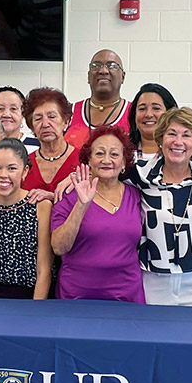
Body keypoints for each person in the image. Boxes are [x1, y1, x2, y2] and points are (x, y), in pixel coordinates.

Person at [125, 107, 192, 306]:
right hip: (152, 280)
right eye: (171, 134)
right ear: (160, 139)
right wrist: (71, 180)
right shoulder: (141, 174)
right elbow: (104, 180)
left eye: (186, 135)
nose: (178, 142)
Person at [51, 126, 143, 303]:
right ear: (89, 160)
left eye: (115, 154)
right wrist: (81, 205)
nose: (106, 160)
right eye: (99, 153)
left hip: (127, 295)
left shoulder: (137, 195)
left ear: (124, 162)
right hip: (77, 296)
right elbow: (59, 247)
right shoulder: (68, 195)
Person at [0, 138, 52, 299]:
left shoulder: (41, 206)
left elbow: (44, 269)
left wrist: (37, 309)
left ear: (25, 171)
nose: (3, 175)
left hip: (33, 296)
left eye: (12, 168)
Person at [64, 49, 132, 150]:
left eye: (112, 66)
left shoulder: (134, 113)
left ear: (123, 77)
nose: (103, 71)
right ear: (88, 76)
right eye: (96, 66)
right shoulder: (69, 112)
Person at [22, 87, 77, 199]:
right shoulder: (24, 164)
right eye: (38, 119)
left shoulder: (83, 161)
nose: (45, 124)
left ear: (66, 122)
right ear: (32, 127)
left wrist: (52, 197)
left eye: (52, 117)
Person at [127, 83, 178, 162]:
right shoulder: (122, 150)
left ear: (170, 113)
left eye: (156, 108)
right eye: (142, 108)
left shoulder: (179, 151)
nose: (148, 114)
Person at [0, 85, 40, 154]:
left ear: (23, 114)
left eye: (13, 108)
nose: (6, 114)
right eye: (0, 108)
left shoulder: (38, 146)